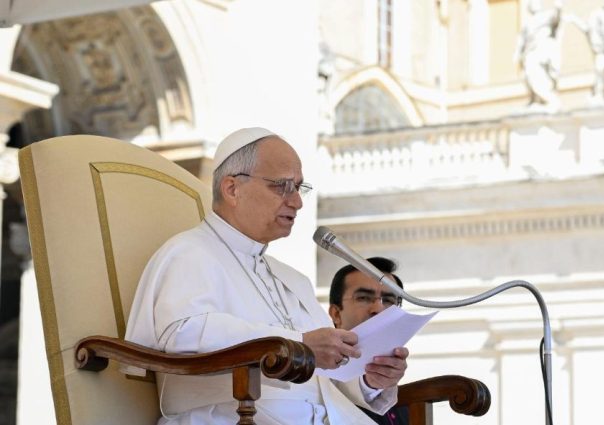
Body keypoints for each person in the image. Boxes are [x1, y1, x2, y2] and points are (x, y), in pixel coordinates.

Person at [125, 127, 409, 424]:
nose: (297, 201)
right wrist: (297, 343)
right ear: (232, 188)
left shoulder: (293, 279)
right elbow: (181, 333)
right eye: (282, 186)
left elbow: (328, 377)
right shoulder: (188, 253)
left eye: (299, 188)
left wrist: (372, 379)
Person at [328, 257, 410, 425]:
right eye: (364, 298)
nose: (379, 309)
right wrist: (370, 383)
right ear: (336, 314)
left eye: (388, 300)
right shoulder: (315, 372)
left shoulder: (412, 402)